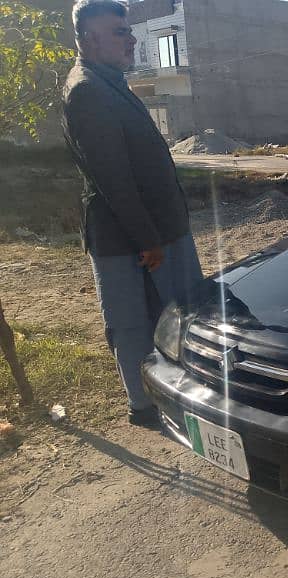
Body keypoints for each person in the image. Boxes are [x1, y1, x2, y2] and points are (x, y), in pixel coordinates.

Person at [62, 1, 203, 426]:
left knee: (176, 312)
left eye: (129, 30)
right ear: (89, 39)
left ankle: (174, 390)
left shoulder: (110, 82)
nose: (132, 38)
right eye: (120, 32)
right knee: (131, 324)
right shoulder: (87, 89)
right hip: (129, 239)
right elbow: (114, 178)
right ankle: (143, 407)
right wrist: (148, 240)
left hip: (155, 231)